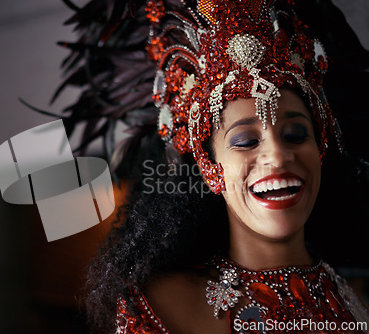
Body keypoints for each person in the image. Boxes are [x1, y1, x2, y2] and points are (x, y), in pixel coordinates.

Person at [50, 0, 369, 333]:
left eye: (295, 134)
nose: (277, 156)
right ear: (208, 167)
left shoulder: (352, 303)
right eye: (245, 141)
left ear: (320, 147)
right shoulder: (161, 308)